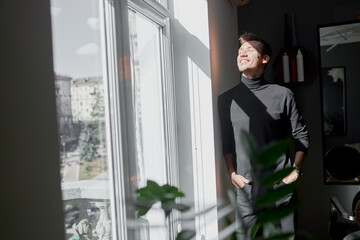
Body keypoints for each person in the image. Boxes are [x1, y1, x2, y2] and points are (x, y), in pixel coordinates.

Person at [217, 32, 309, 240]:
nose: (242, 53)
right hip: (247, 190)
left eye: (249, 49)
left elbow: (301, 135)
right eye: (240, 51)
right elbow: (227, 142)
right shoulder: (226, 100)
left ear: (265, 58)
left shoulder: (283, 95)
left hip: (281, 188)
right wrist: (232, 174)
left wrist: (295, 171)